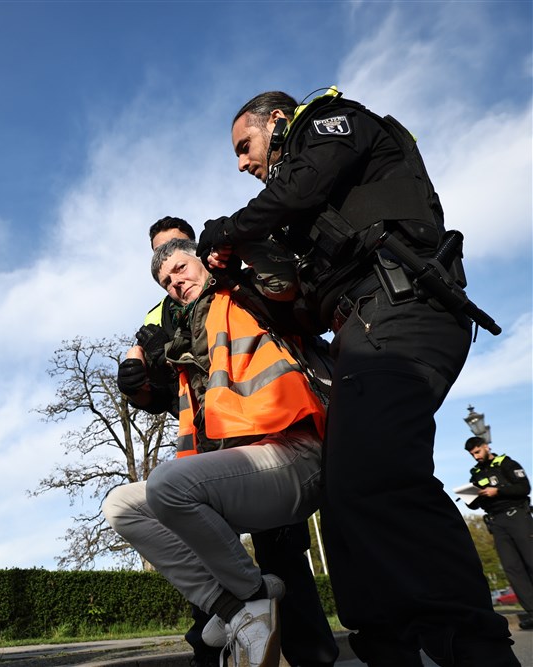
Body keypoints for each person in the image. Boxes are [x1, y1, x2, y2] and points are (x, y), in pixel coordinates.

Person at [198, 88, 517, 666]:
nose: (243, 163)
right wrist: (243, 280)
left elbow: (298, 189)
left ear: (277, 120)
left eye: (244, 147)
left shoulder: (331, 124)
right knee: (344, 493)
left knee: (385, 473)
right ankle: (386, 644)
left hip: (404, 312)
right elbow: (300, 304)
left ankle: (474, 646)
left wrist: (227, 231)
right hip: (362, 329)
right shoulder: (305, 217)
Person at [125, 219, 337, 667]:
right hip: (216, 457)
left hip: (284, 445)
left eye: (179, 259)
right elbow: (165, 396)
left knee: (284, 561)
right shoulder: (169, 327)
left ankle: (296, 640)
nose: (173, 276)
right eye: (163, 273)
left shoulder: (235, 289)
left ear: (200, 251)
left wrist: (239, 241)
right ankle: (236, 611)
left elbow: (283, 286)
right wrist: (140, 383)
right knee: (127, 505)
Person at [465, 436, 533, 630]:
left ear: (486, 446)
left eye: (477, 452)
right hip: (496, 522)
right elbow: (476, 503)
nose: (475, 457)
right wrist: (473, 497)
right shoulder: (476, 473)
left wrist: (498, 491)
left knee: (531, 560)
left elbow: (524, 488)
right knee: (512, 568)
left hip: (517, 516)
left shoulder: (507, 464)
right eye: (472, 454)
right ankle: (531, 612)